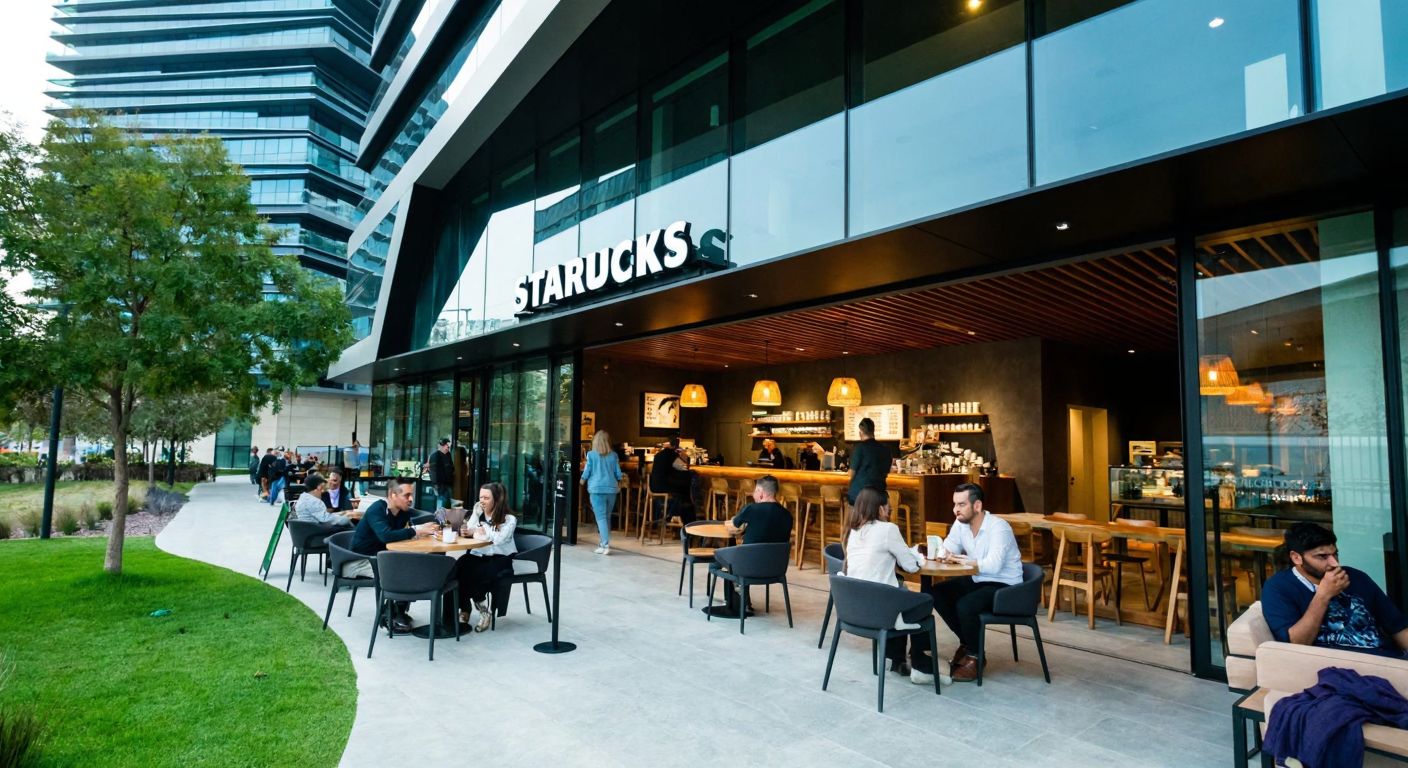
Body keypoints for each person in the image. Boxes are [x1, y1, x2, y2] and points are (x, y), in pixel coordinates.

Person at [1261, 522, 1408, 657]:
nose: (1334, 563)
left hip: (1386, 660)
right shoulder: (1278, 587)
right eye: (1322, 556)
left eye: (1335, 554)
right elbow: (1297, 644)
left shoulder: (1356, 577)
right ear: (1296, 558)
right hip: (1335, 667)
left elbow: (1397, 627)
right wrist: (1323, 595)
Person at [841, 487, 936, 686]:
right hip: (881, 611)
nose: (889, 511)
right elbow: (911, 566)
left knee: (899, 590)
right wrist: (918, 556)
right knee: (925, 601)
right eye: (888, 508)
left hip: (855, 610)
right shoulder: (888, 529)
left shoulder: (853, 531)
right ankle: (922, 668)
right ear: (880, 509)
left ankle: (896, 660)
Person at [929, 482, 1023, 682]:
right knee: (936, 593)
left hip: (1006, 586)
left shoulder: (998, 527)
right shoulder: (960, 524)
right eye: (955, 504)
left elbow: (994, 565)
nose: (955, 509)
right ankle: (967, 643)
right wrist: (943, 552)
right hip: (979, 578)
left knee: (966, 605)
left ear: (977, 506)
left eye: (961, 504)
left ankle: (975, 656)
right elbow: (949, 546)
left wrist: (965, 561)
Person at [348, 478, 439, 633]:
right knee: (402, 571)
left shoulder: (403, 512)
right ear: (392, 495)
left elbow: (415, 523)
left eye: (412, 495)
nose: (411, 499)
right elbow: (386, 536)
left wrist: (427, 526)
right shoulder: (377, 509)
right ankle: (387, 615)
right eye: (407, 495)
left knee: (414, 567)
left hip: (382, 557)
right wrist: (416, 530)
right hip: (360, 560)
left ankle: (397, 611)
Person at [715, 474, 794, 615]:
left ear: (761, 493)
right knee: (746, 555)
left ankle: (736, 603)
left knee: (719, 559)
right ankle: (744, 601)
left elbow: (734, 524)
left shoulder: (751, 509)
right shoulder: (787, 516)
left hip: (749, 568)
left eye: (755, 491)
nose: (753, 495)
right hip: (775, 569)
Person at [454, 482, 518, 632]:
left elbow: (499, 539)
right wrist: (475, 517)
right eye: (480, 497)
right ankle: (465, 608)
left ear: (497, 500)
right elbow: (469, 530)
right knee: (458, 567)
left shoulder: (509, 519)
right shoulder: (479, 515)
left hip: (500, 559)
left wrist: (481, 532)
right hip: (479, 555)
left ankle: (484, 612)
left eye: (486, 498)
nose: (482, 501)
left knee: (476, 574)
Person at [582, 429, 623, 555]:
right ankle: (602, 543)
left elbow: (587, 471)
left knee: (600, 518)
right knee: (606, 517)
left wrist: (582, 480)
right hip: (611, 489)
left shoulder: (591, 455)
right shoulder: (614, 455)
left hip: (596, 489)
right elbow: (618, 473)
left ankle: (605, 545)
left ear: (595, 441)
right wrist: (620, 481)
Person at [649, 437, 695, 525]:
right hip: (664, 488)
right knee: (686, 488)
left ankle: (672, 515)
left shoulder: (658, 455)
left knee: (683, 492)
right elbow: (684, 468)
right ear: (675, 446)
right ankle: (684, 518)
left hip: (653, 487)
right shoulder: (672, 455)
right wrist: (684, 455)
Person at [847, 418, 893, 505]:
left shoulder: (859, 448)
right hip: (879, 494)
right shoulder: (886, 450)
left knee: (851, 502)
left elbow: (851, 473)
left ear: (860, 432)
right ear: (873, 431)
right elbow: (886, 471)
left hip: (859, 495)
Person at [425, 438, 455, 510]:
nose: (448, 448)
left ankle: (444, 516)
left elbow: (451, 467)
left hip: (448, 483)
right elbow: (434, 472)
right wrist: (436, 485)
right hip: (440, 485)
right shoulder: (435, 456)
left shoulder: (448, 455)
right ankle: (439, 516)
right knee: (441, 503)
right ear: (442, 446)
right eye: (447, 446)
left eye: (448, 447)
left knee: (447, 503)